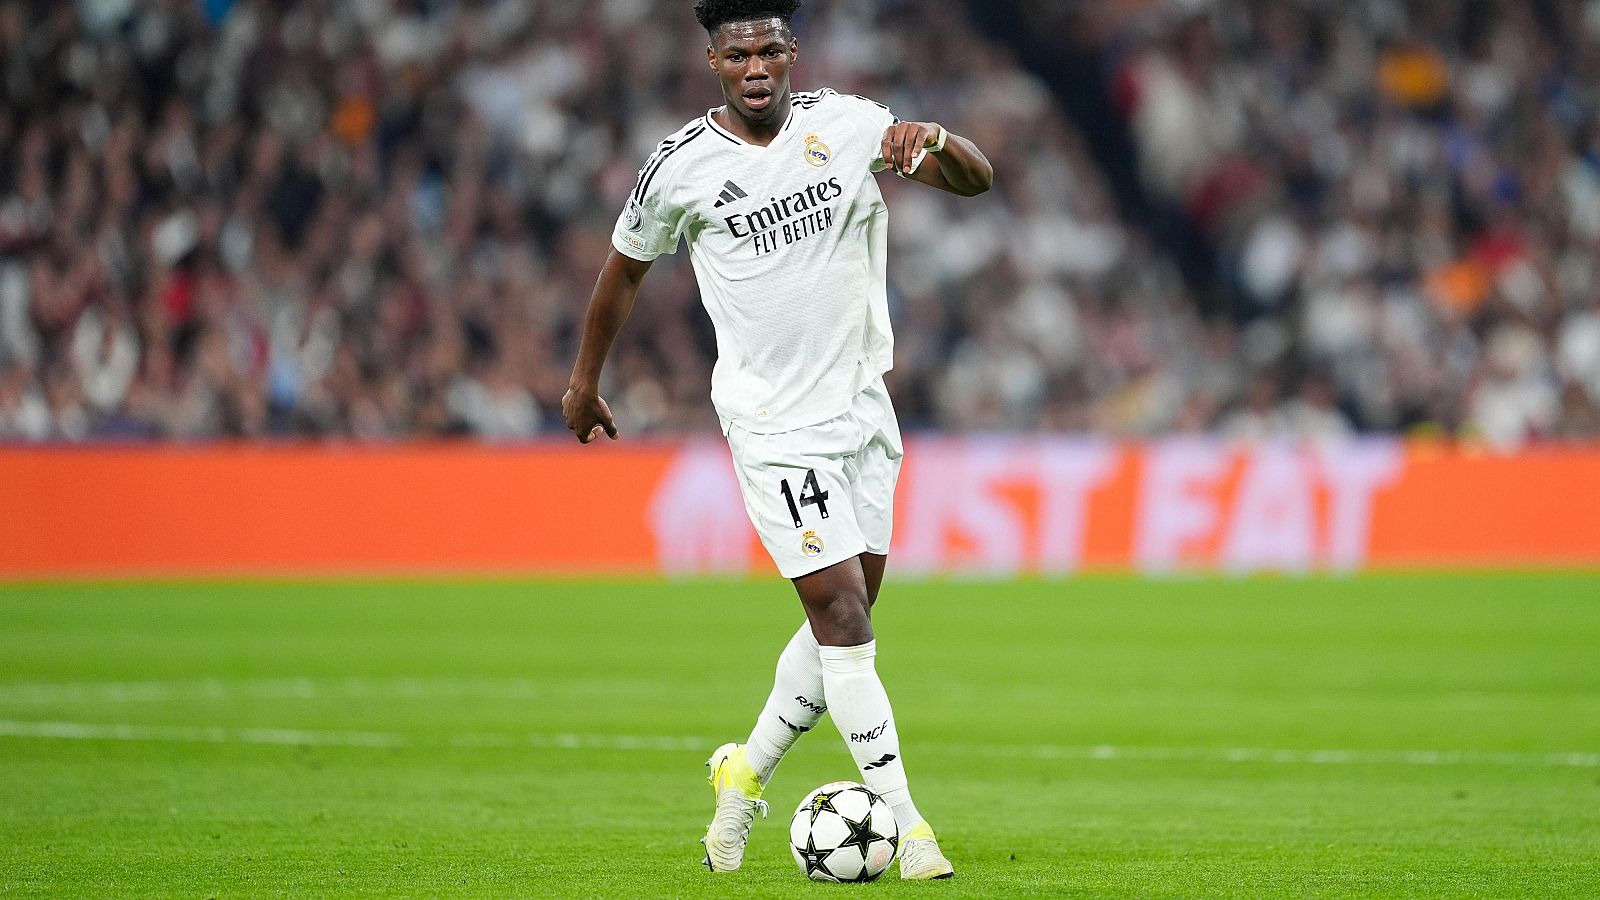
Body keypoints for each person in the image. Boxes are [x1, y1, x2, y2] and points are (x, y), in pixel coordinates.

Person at [562, 0, 992, 880]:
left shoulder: (851, 123)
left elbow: (976, 179)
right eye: (735, 54)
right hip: (771, 425)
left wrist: (936, 139)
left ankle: (744, 769)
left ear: (790, 53)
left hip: (862, 411)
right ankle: (910, 829)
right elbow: (622, 273)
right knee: (840, 612)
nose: (754, 66)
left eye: (767, 49)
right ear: (712, 64)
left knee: (852, 609)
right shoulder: (678, 168)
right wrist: (583, 381)